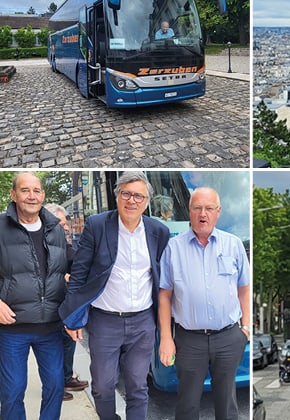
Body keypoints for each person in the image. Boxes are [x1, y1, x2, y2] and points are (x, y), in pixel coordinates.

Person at [60, 171, 170, 420]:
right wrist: (72, 316)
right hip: (104, 320)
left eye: (138, 196)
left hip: (142, 321)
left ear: (147, 201)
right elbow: (79, 272)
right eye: (126, 194)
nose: (132, 201)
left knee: (138, 386)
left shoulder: (158, 231)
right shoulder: (98, 225)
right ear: (117, 195)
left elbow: (163, 280)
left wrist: (166, 329)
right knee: (102, 386)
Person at [158, 187, 251, 419]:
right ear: (189, 212)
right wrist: (166, 338)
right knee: (187, 406)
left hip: (228, 337)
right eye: (197, 208)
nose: (203, 214)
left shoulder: (234, 245)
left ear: (218, 212)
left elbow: (244, 287)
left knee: (227, 407)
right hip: (189, 339)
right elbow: (164, 295)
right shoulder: (173, 248)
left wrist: (246, 329)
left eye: (209, 208)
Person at [0, 172, 69, 419]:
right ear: (14, 194)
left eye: (37, 190)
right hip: (12, 328)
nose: (32, 196)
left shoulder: (56, 230)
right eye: (25, 190)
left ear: (43, 195)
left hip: (50, 326)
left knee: (55, 387)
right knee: (12, 391)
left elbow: (69, 269)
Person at [44, 203, 89, 402]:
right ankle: (55, 387)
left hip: (65, 304)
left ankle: (66, 378)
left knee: (69, 342)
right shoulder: (41, 244)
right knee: (53, 350)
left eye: (66, 224)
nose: (67, 228)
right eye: (62, 225)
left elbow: (77, 262)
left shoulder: (65, 244)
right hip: (49, 307)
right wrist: (63, 277)